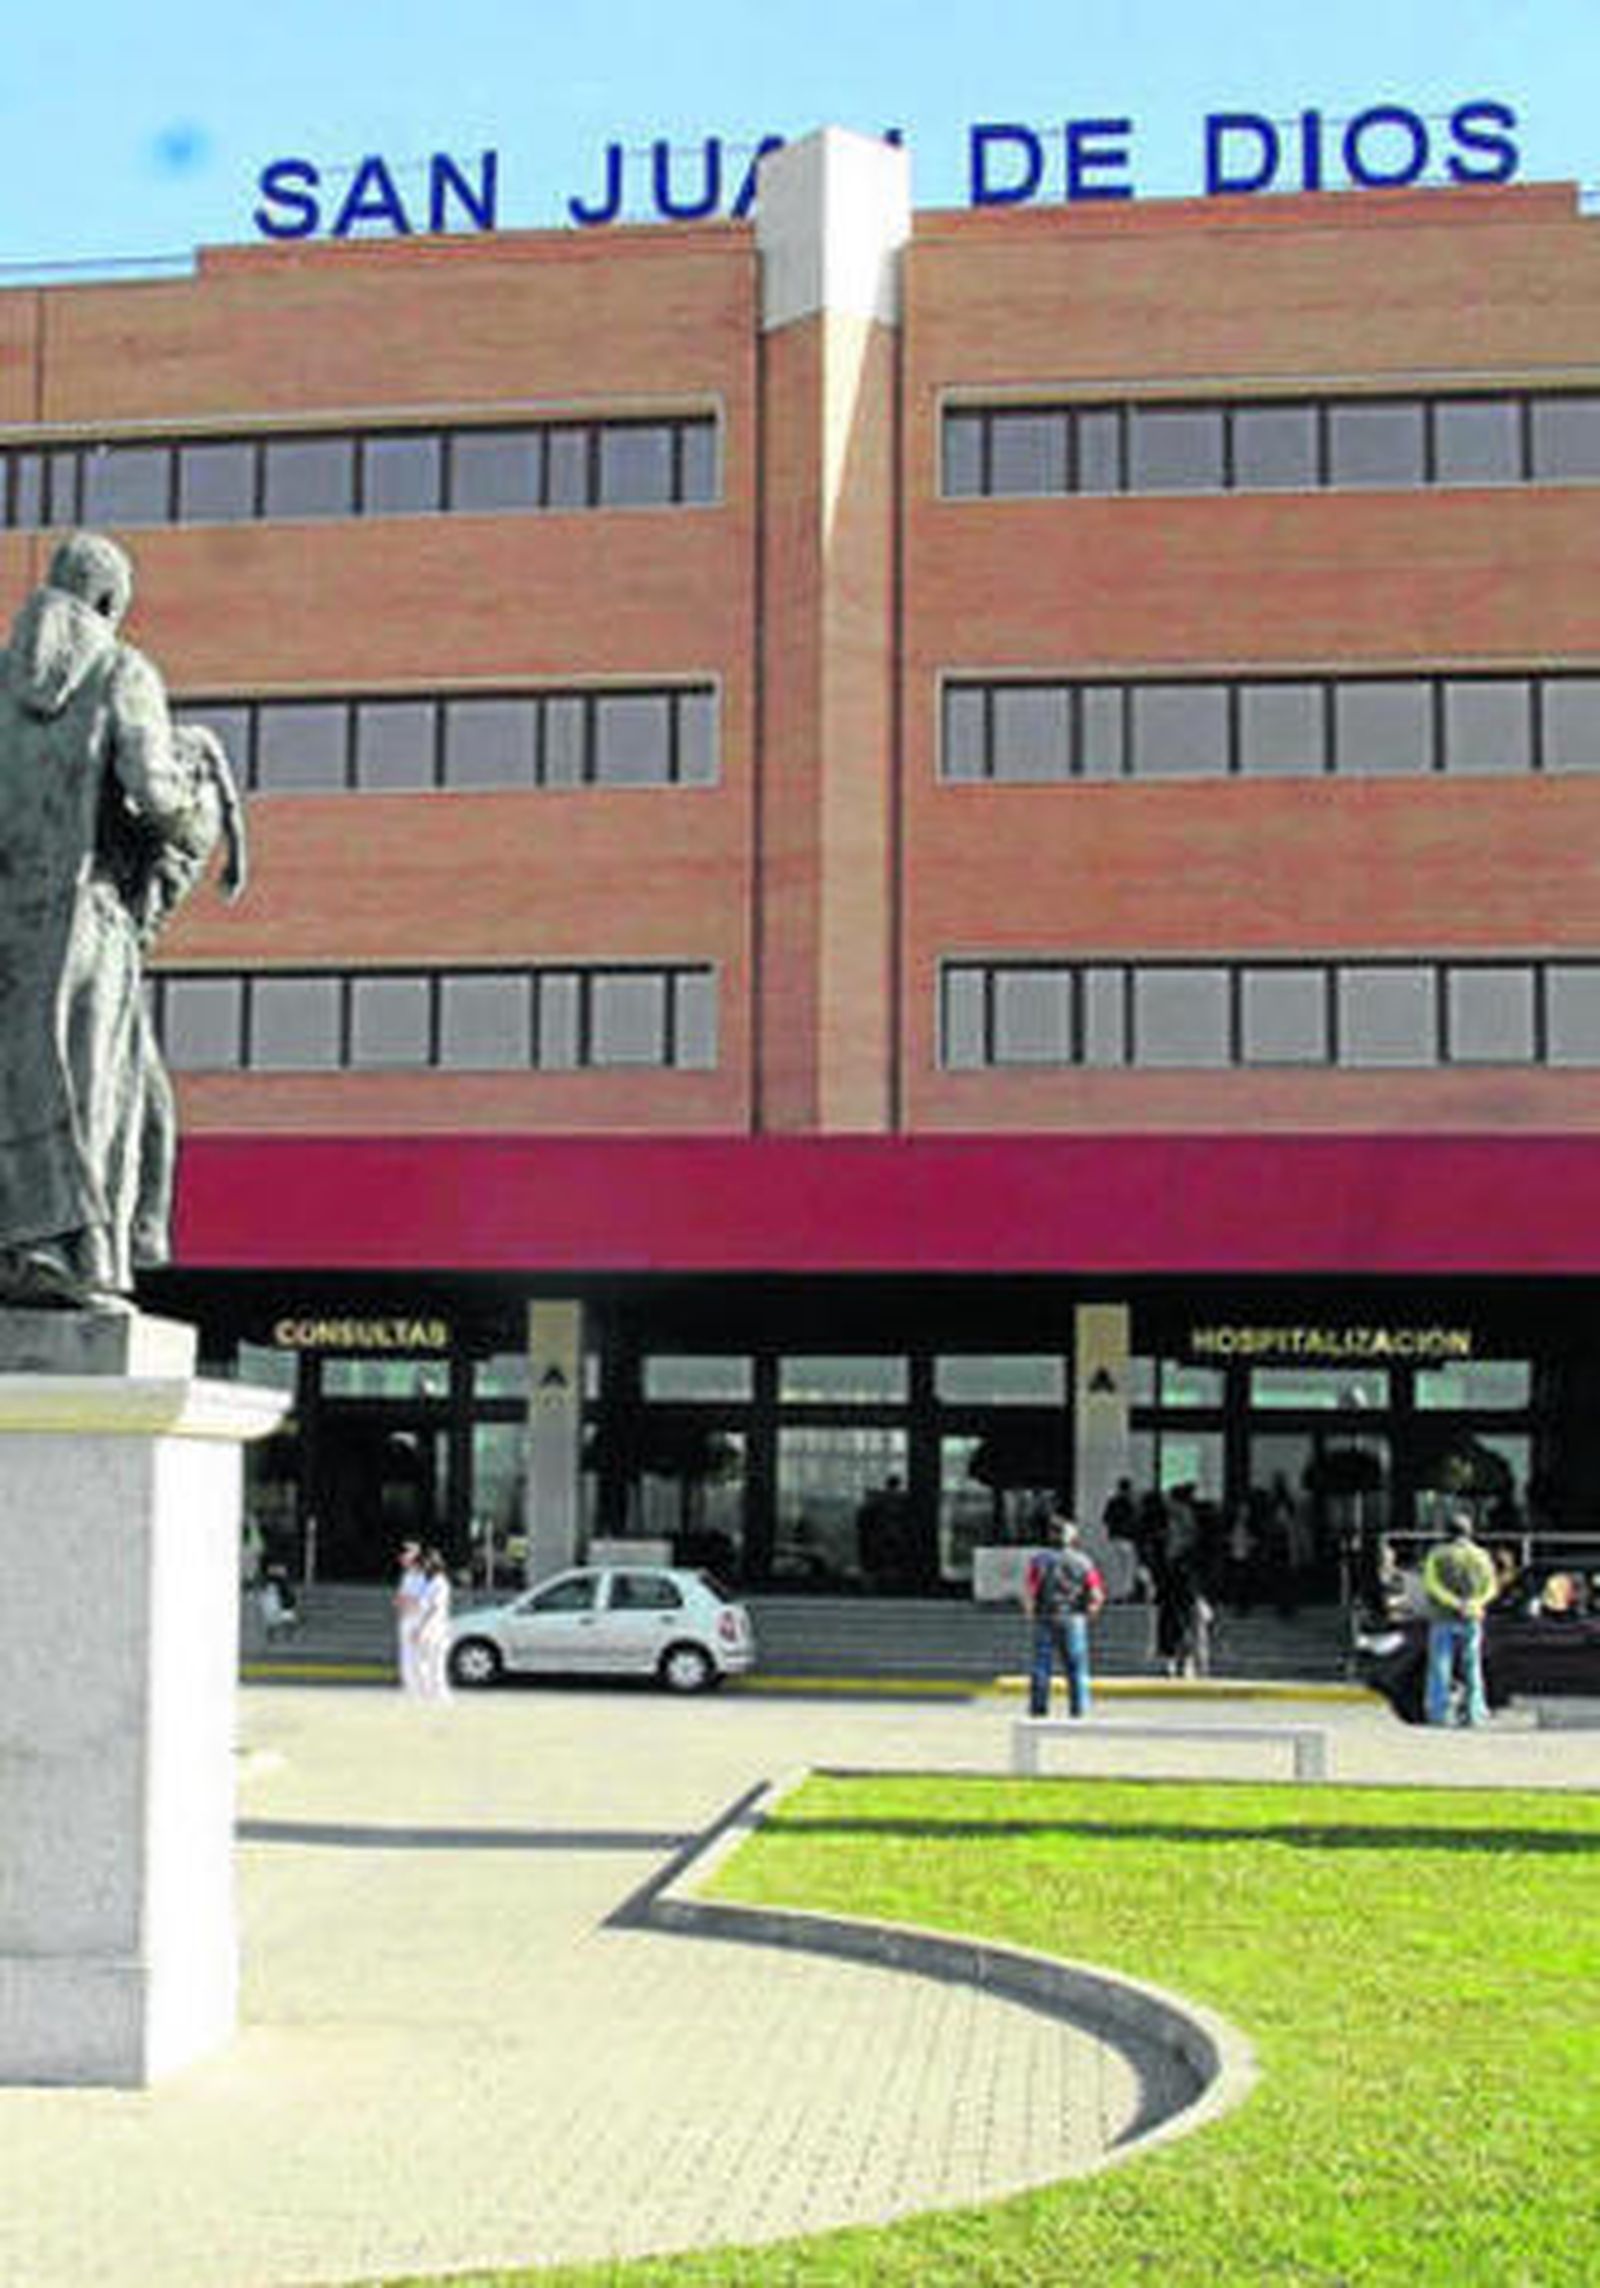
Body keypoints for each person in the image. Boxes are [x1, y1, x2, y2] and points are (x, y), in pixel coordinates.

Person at [0, 533, 244, 1309]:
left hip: (9, 926)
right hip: (86, 918)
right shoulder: (121, 669)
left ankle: (21, 1251)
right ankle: (80, 1258)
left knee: (20, 1084)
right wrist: (197, 797)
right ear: (108, 602)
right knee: (92, 1085)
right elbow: (156, 794)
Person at [1021, 1510, 1105, 1719]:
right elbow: (1096, 1593)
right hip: (1074, 1618)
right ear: (1071, 1537)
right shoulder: (1084, 1562)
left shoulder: (1039, 1561)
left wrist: (1031, 1611)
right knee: (1077, 1666)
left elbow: (1030, 1591)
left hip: (1046, 1615)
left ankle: (1039, 1707)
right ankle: (1079, 1708)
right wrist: (1091, 1611)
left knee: (1041, 1665)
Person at [1422, 1510, 1499, 1728]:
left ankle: (1439, 1713)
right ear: (1469, 1532)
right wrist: (1475, 1604)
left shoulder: (1437, 1555)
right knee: (1472, 1666)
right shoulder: (1482, 1556)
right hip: (1472, 1618)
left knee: (1440, 1665)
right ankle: (1475, 1712)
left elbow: (1431, 1584)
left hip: (1443, 1617)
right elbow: (1492, 1587)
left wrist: (1456, 1603)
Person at [415, 1547, 454, 1702]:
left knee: (435, 1664)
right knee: (424, 1663)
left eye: (427, 1562)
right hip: (430, 1627)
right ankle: (428, 1695)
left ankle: (441, 1697)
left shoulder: (440, 1582)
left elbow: (434, 1607)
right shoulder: (428, 1582)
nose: (424, 1565)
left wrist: (421, 1627)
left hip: (434, 1627)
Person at [393, 1539, 428, 1695]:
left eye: (406, 1556)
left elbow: (420, 1600)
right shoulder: (407, 1576)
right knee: (406, 1653)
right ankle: (409, 1685)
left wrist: (405, 1600)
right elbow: (400, 1597)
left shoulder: (423, 1577)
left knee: (418, 1654)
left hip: (418, 1618)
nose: (402, 1559)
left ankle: (421, 1686)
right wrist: (402, 1601)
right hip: (406, 1617)